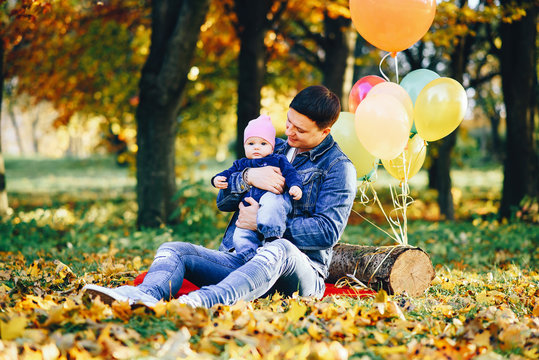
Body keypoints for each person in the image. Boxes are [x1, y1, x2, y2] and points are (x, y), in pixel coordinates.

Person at [83, 85, 357, 308]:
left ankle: (200, 302)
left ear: (325, 131)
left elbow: (327, 232)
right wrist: (248, 178)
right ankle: (143, 295)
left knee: (278, 249)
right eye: (288, 122)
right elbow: (223, 202)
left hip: (300, 271)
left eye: (300, 129)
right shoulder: (273, 150)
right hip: (243, 258)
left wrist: (261, 222)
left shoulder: (338, 168)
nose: (288, 131)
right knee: (173, 249)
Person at [212, 114, 303, 261]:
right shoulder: (241, 164)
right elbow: (227, 174)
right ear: (244, 146)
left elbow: (291, 173)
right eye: (251, 144)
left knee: (271, 203)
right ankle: (248, 257)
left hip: (274, 197)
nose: (256, 148)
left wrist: (295, 186)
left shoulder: (278, 159)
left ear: (272, 146)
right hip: (248, 209)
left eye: (263, 144)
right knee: (240, 234)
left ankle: (272, 239)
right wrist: (217, 179)